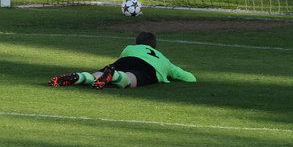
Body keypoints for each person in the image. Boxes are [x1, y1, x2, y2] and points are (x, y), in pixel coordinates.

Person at [48, 31, 196, 89]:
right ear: (154, 46)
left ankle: (79, 77)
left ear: (137, 43)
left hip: (125, 60)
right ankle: (114, 76)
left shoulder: (130, 48)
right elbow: (189, 77)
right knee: (131, 77)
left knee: (98, 75)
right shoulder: (163, 59)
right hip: (149, 67)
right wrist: (190, 77)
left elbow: (123, 60)